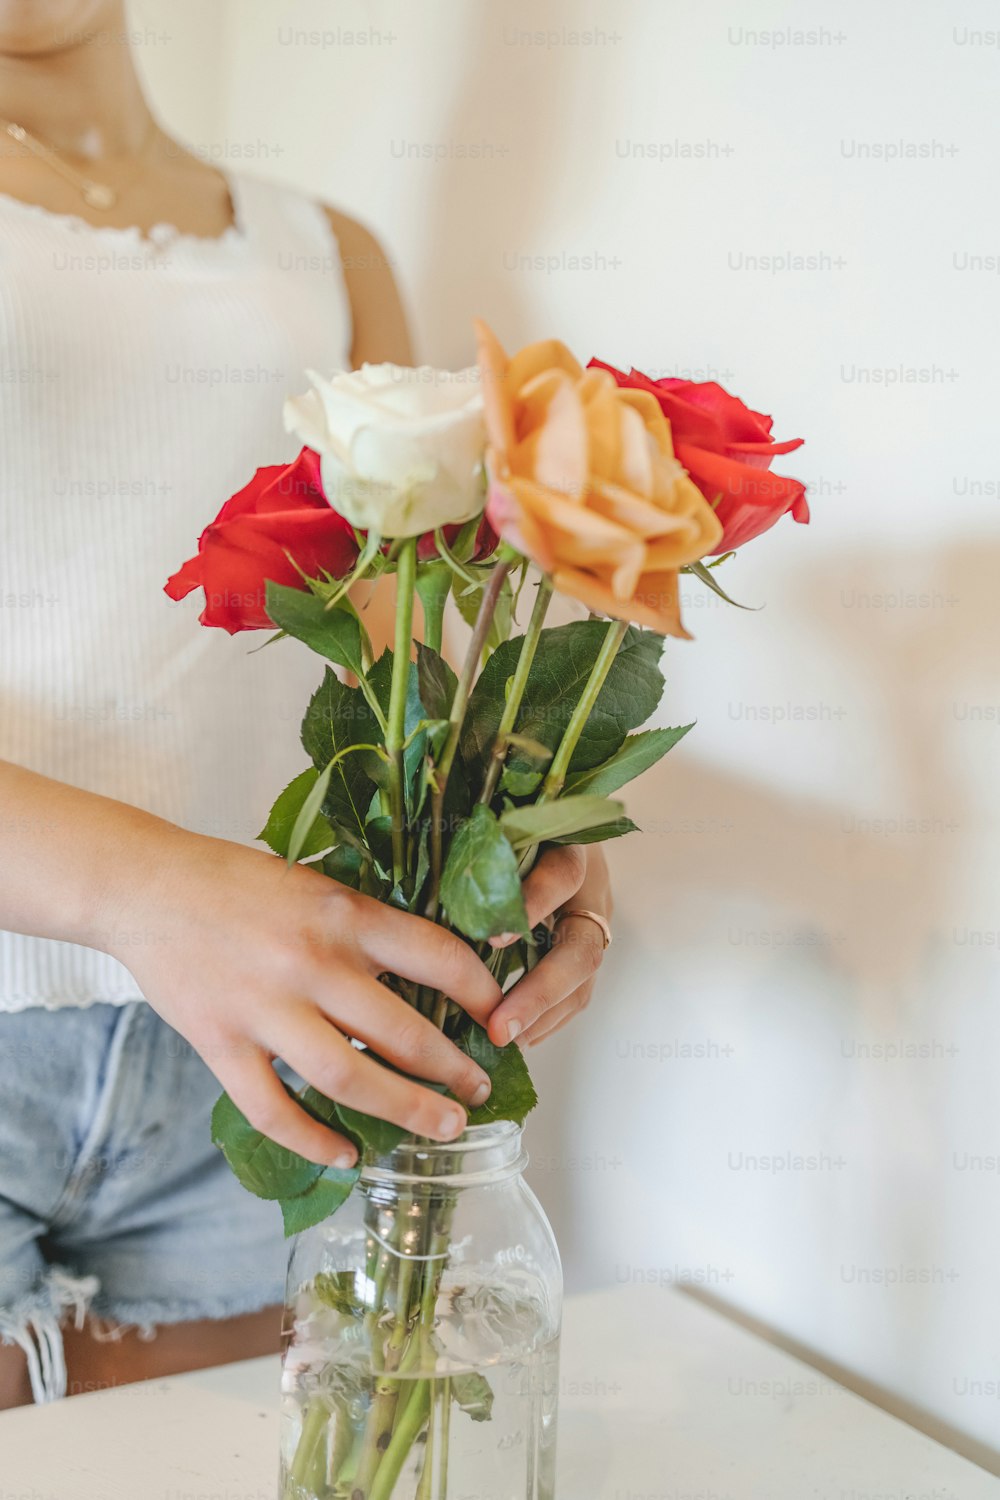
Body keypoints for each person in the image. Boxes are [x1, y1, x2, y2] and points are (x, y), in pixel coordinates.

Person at [0, 1, 612, 1407]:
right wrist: (147, 891)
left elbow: (391, 660)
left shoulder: (329, 256)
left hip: (260, 1053)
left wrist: (517, 824)